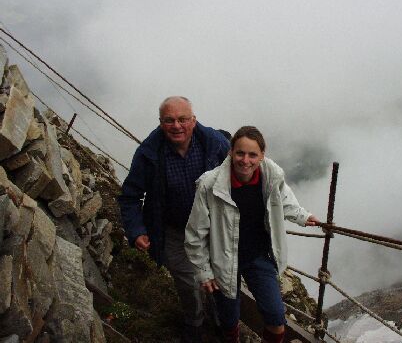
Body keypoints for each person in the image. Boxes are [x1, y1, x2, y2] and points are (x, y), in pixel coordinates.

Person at [185, 126, 320, 343]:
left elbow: (284, 200)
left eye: (252, 154)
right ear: (231, 152)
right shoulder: (210, 185)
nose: (245, 160)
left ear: (262, 155)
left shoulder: (271, 176)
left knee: (276, 316)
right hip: (223, 260)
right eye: (240, 153)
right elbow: (195, 233)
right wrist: (204, 271)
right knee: (229, 318)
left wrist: (304, 217)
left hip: (258, 256)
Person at [118, 96, 230, 342]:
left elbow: (242, 175)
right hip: (172, 231)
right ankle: (195, 324)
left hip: (213, 229)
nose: (177, 126)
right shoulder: (149, 153)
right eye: (169, 120)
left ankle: (225, 322)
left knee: (221, 275)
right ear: (161, 123)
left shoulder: (215, 144)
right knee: (189, 283)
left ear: (193, 120)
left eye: (182, 119)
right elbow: (130, 196)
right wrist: (137, 230)